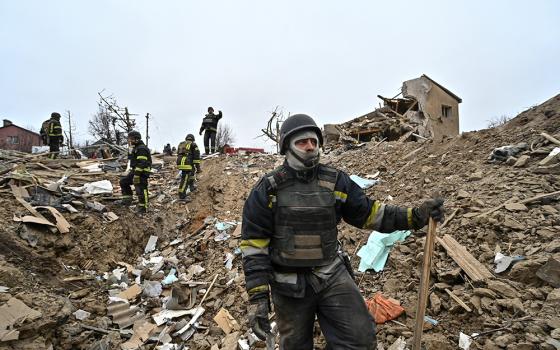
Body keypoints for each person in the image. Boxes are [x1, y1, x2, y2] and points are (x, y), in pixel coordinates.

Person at [240, 114, 444, 349]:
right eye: (302, 142)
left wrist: (416, 216)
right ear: (287, 147)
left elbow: (371, 214)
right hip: (288, 285)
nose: (310, 147)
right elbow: (254, 244)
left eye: (314, 141)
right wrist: (257, 298)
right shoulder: (268, 188)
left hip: (331, 275)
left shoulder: (335, 181)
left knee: (360, 339)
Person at [119, 131, 152, 213]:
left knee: (141, 188)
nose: (129, 141)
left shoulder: (141, 148)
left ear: (136, 139)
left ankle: (144, 207)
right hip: (136, 170)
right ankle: (127, 201)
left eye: (131, 139)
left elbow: (142, 163)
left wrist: (136, 175)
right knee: (123, 182)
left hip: (142, 172)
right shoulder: (136, 148)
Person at [176, 134, 201, 201]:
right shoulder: (193, 145)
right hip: (186, 162)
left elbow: (178, 153)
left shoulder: (182, 144)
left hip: (180, 161)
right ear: (193, 139)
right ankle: (182, 195)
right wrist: (198, 168)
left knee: (192, 171)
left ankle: (191, 186)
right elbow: (196, 157)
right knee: (185, 178)